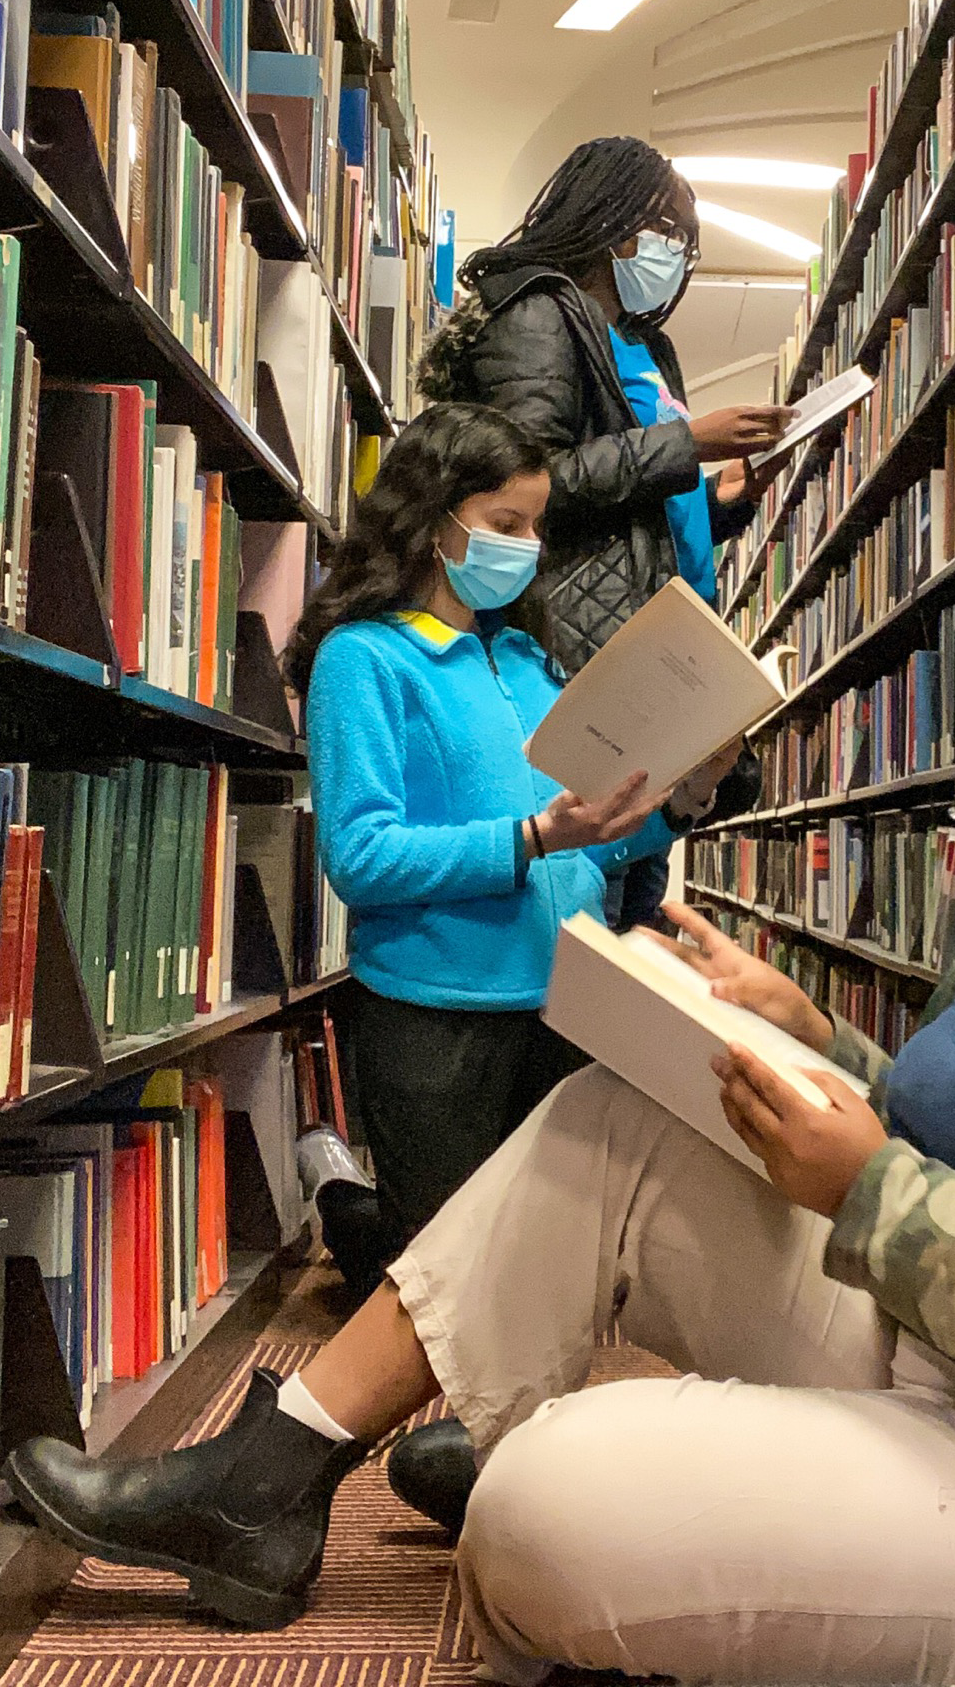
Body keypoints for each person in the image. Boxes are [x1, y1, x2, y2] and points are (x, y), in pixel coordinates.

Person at [6, 633, 955, 1686]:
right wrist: (815, 1042)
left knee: (539, 1508)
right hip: (942, 1349)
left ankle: (520, 1454)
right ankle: (271, 1477)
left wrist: (868, 1189)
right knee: (609, 1120)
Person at [281, 402, 721, 1299]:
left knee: (545, 1262)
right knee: (446, 1275)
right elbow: (360, 857)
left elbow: (583, 845)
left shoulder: (527, 659)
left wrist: (684, 794)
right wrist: (527, 838)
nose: (525, 546)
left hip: (563, 1003)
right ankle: (352, 1219)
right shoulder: (364, 659)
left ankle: (355, 1213)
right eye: (503, 524)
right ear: (432, 519)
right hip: (437, 1017)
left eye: (533, 526)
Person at [418, 135, 788, 932]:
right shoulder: (537, 310)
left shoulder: (645, 346)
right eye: (658, 229)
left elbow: (641, 507)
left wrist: (721, 496)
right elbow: (526, 479)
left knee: (631, 887)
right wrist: (688, 445)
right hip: (581, 637)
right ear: (608, 216)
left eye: (682, 241)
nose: (668, 253)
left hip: (657, 634)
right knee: (590, 898)